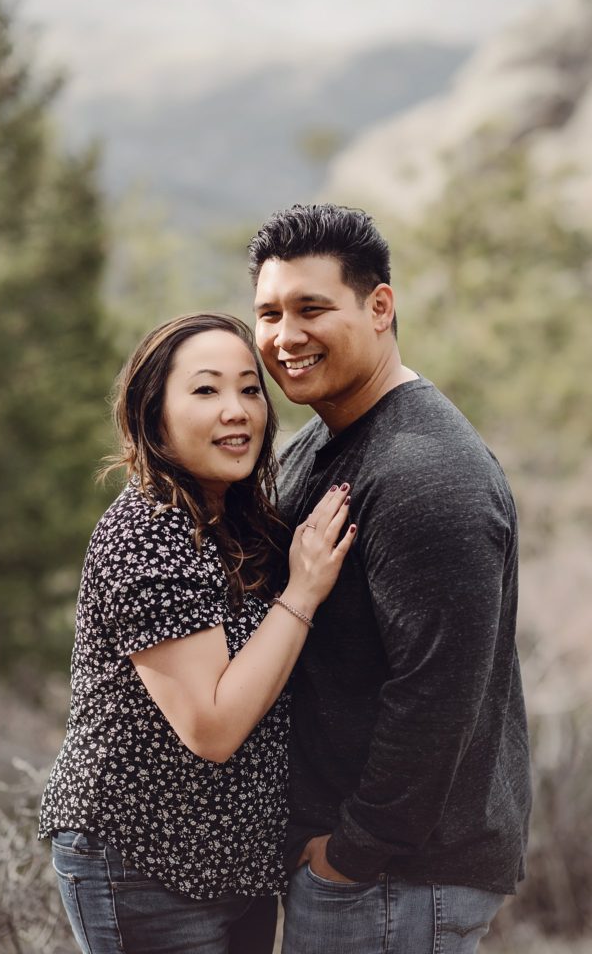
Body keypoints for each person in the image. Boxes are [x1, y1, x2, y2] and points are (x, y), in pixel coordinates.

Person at [249, 204, 532, 954]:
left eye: (312, 308)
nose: (285, 336)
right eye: (269, 313)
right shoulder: (327, 438)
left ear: (380, 307)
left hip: (397, 882)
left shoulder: (426, 475)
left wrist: (351, 854)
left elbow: (438, 695)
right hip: (370, 876)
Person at [39, 312, 356, 954]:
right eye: (206, 390)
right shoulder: (145, 533)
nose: (236, 411)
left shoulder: (238, 521)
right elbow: (211, 728)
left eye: (248, 389)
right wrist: (302, 591)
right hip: (142, 863)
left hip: (235, 865)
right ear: (153, 414)